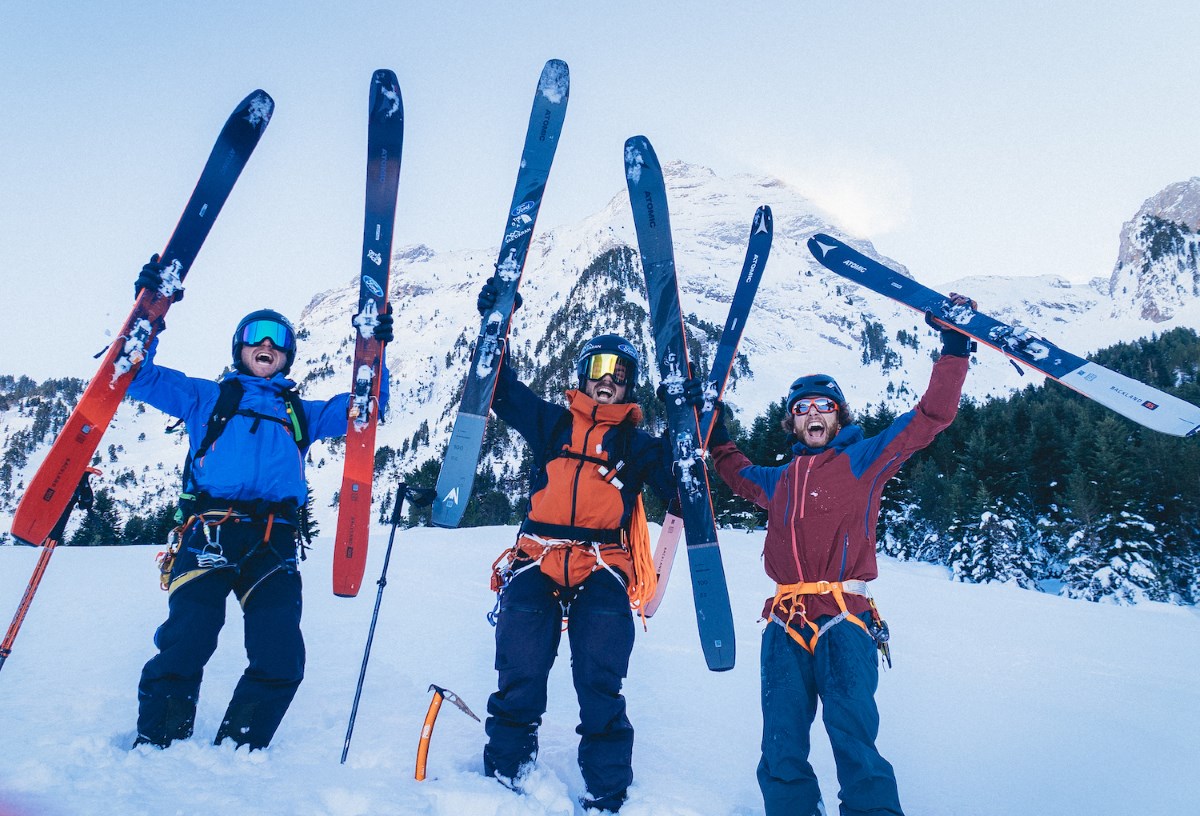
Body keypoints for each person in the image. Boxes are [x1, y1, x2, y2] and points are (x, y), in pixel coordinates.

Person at [706, 294, 977, 816]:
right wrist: (712, 429)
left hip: (845, 619)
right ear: (791, 422)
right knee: (781, 745)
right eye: (801, 408)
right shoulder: (779, 480)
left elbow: (930, 417)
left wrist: (954, 347)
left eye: (823, 406)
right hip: (785, 623)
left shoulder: (863, 461)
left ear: (838, 416)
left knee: (854, 742)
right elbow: (733, 470)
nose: (813, 414)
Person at [128, 255, 392, 751]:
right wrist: (149, 315)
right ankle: (158, 740)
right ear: (240, 349)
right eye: (257, 335)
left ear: (288, 355)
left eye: (278, 338)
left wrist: (375, 353)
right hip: (209, 533)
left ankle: (238, 748)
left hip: (273, 543)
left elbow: (365, 410)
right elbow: (136, 375)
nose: (267, 344)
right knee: (188, 638)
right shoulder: (206, 397)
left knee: (281, 655)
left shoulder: (301, 413)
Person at [475, 280, 689, 813]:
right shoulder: (551, 422)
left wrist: (691, 418)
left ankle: (607, 786)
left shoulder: (636, 445)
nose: (608, 381)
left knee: (599, 674)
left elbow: (681, 480)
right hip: (538, 555)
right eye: (599, 369)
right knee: (520, 663)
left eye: (620, 374)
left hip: (603, 565)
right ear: (582, 376)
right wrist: (495, 325)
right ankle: (507, 764)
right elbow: (500, 390)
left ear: (631, 386)